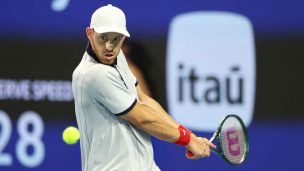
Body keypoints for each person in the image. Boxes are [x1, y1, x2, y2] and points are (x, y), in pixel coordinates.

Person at [72, 4, 215, 171]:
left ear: (123, 38)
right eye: (103, 38)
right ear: (90, 33)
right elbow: (142, 117)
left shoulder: (118, 57)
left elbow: (144, 100)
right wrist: (188, 141)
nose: (110, 47)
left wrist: (190, 137)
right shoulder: (94, 75)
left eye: (116, 39)